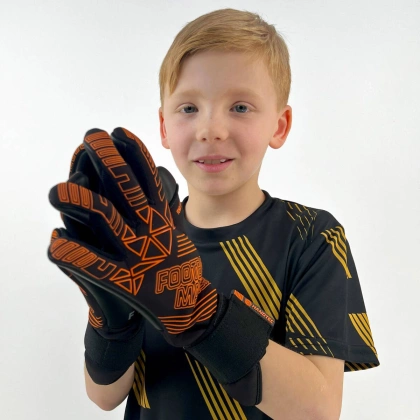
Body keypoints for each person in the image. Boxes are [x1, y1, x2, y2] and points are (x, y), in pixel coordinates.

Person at [48, 8, 379, 420]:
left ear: (280, 125)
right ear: (164, 126)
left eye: (240, 107)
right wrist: (112, 321)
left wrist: (198, 311)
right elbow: (104, 396)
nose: (211, 130)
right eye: (189, 108)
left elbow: (318, 410)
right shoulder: (143, 238)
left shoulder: (311, 236)